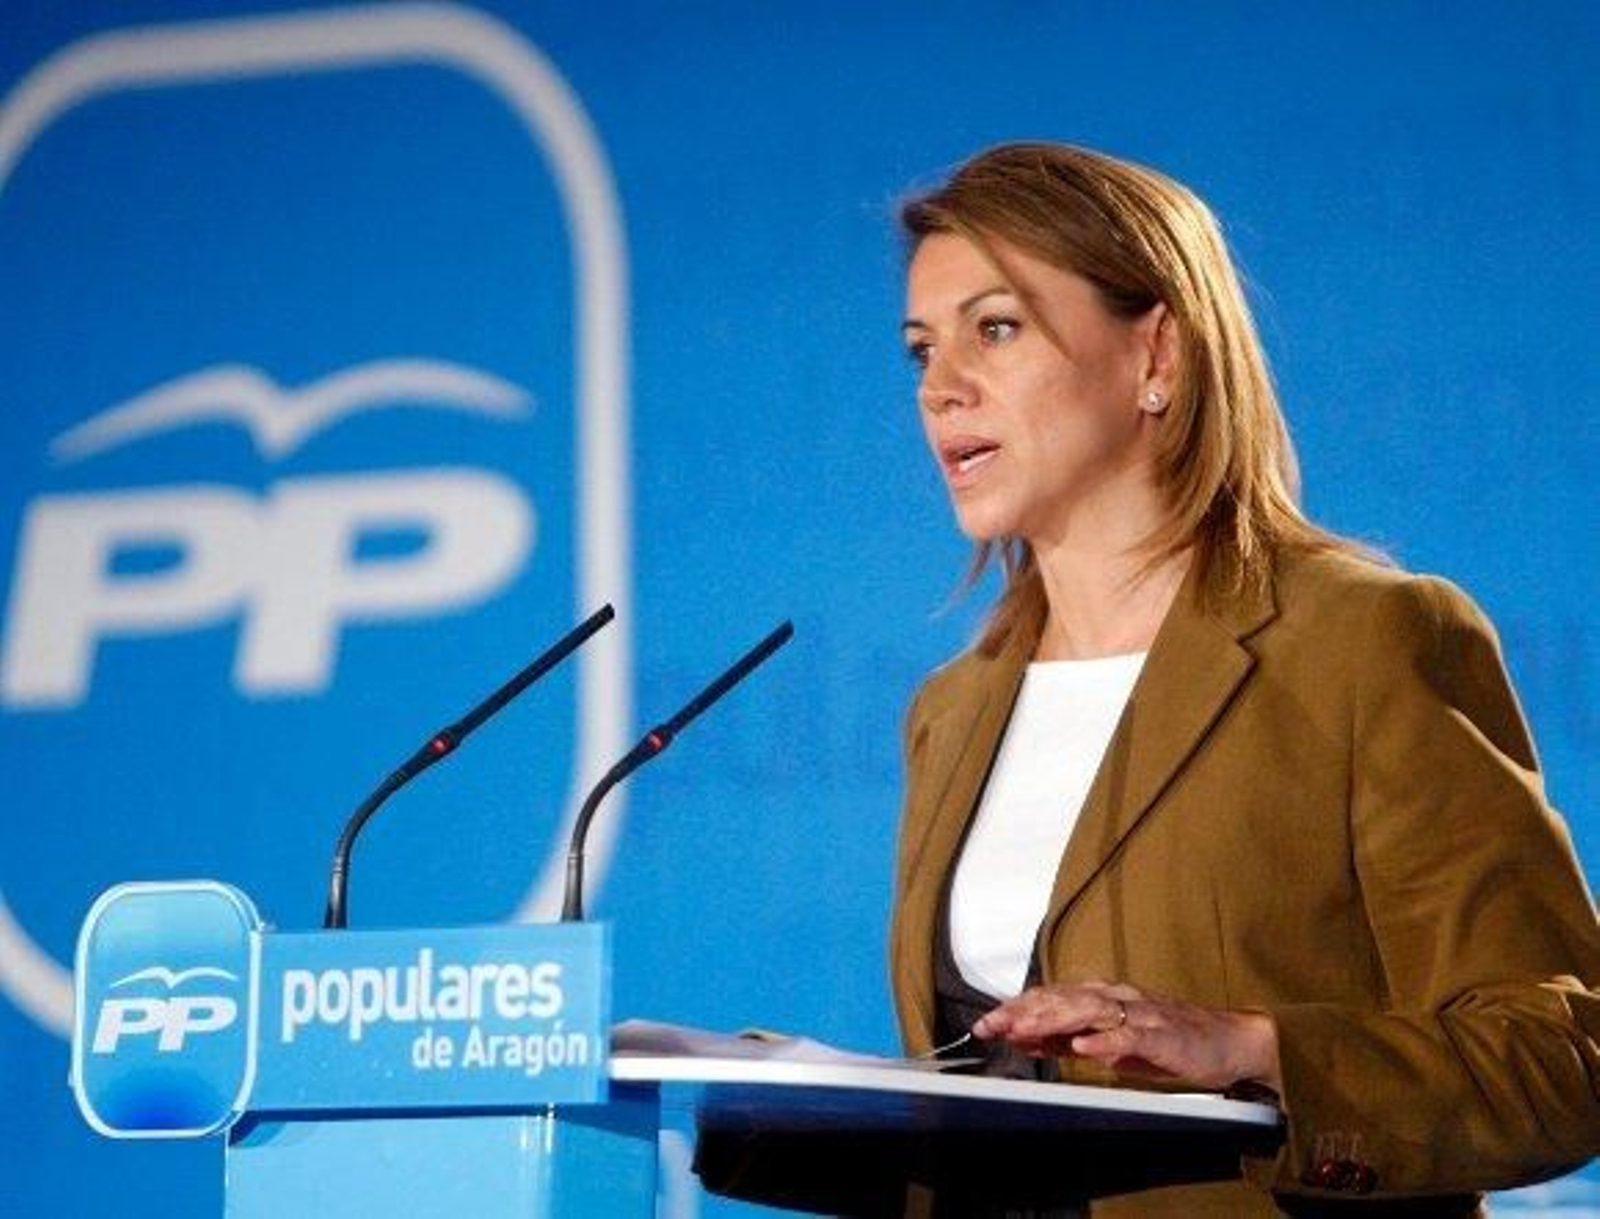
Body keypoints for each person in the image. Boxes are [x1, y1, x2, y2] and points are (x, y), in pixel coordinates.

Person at [888, 141, 1599, 1216]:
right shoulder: (951, 709)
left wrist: (1256, 1050)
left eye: (996, 328)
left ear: (1158, 354)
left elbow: (1560, 1061)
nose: (942, 389)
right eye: (920, 350)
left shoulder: (1365, 641)